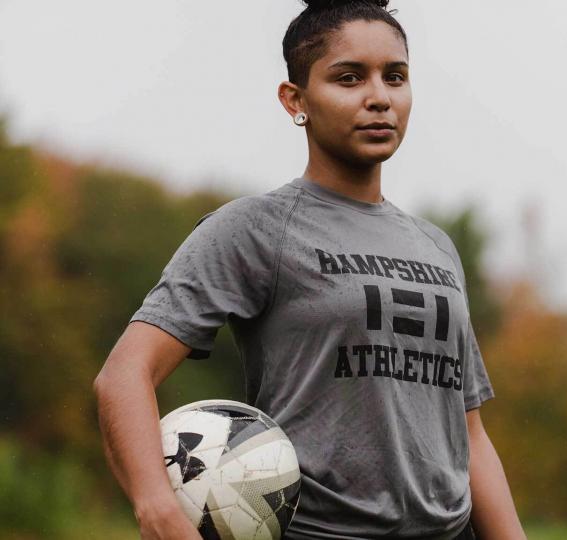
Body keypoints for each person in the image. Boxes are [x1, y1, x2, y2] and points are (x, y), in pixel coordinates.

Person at [93, 0, 527, 538]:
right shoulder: (254, 229)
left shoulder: (436, 247)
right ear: (295, 100)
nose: (379, 97)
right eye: (349, 78)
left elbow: (469, 436)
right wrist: (157, 511)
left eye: (395, 77)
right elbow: (123, 376)